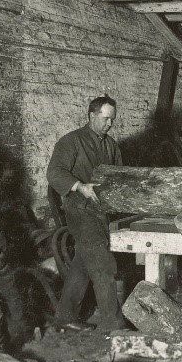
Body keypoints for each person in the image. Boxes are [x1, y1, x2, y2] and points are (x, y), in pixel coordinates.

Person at [46, 95, 126, 332]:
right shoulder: (71, 142)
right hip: (80, 211)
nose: (109, 124)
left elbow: (120, 176)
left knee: (82, 264)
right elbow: (54, 173)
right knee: (103, 265)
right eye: (105, 119)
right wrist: (80, 186)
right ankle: (112, 324)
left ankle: (65, 316)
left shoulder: (111, 145)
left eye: (112, 120)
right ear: (92, 116)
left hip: (101, 212)